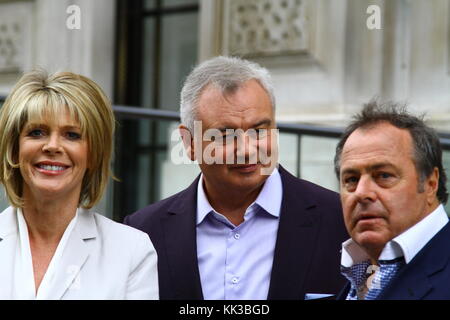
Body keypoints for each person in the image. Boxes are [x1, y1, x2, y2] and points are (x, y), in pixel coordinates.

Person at [124, 56, 348, 300]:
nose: (247, 149)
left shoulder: (341, 221)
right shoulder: (143, 234)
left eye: (259, 130)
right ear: (189, 142)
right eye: (226, 135)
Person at [0, 70, 158, 299]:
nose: (52, 146)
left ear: (93, 154)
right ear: (15, 148)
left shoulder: (131, 251)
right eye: (37, 132)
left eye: (72, 135)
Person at [334, 101, 450, 300]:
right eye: (351, 180)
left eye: (384, 176)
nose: (362, 193)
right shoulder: (362, 268)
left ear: (431, 183)